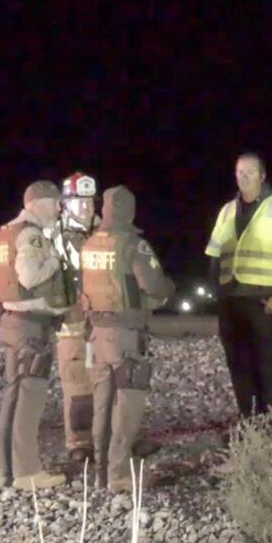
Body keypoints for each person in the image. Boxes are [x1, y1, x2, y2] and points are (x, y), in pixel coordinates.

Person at [80, 186, 176, 491]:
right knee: (127, 404)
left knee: (102, 404)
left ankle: (101, 472)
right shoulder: (133, 244)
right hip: (125, 335)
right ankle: (119, 474)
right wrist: (167, 290)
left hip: (96, 334)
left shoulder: (89, 244)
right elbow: (155, 286)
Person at [0, 180, 71, 491]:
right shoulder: (32, 236)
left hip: (11, 321)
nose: (60, 208)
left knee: (13, 399)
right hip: (31, 325)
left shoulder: (5, 233)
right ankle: (27, 472)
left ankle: (6, 471)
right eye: (56, 202)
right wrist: (56, 259)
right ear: (39, 203)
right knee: (29, 401)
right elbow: (30, 276)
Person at [204, 153, 272, 419]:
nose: (244, 177)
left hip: (264, 302)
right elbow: (214, 255)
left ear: (262, 175)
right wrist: (217, 291)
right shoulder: (227, 211)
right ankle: (249, 424)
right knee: (239, 366)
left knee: (268, 367)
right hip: (232, 302)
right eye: (239, 172)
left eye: (249, 172)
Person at [53, 172, 100, 466]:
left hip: (104, 325)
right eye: (78, 201)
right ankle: (80, 443)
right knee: (78, 387)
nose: (85, 207)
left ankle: (113, 437)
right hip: (71, 326)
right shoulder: (53, 237)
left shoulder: (106, 234)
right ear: (65, 203)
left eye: (89, 202)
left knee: (111, 383)